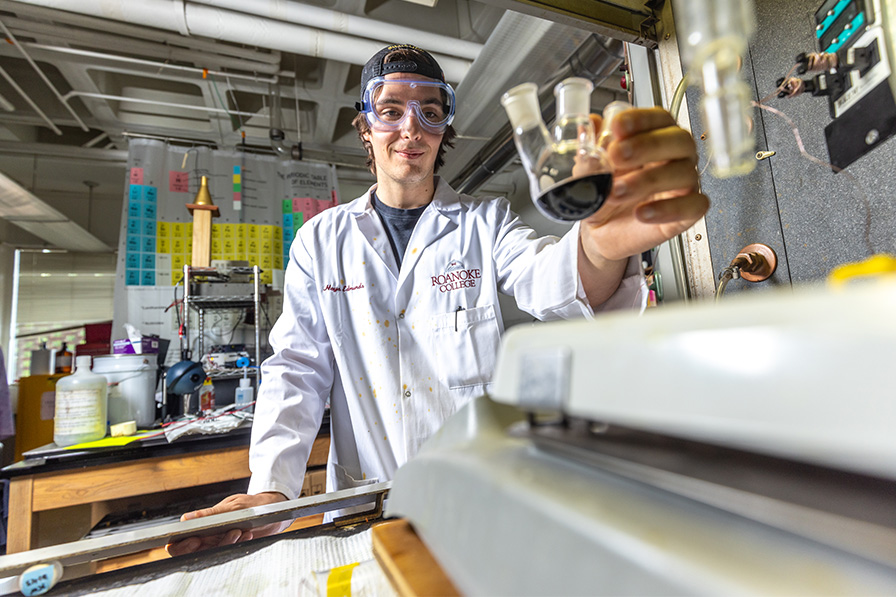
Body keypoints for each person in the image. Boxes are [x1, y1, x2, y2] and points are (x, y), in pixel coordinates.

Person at [167, 44, 708, 555]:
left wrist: (598, 242)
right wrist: (271, 491)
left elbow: (553, 282)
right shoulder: (321, 239)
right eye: (391, 109)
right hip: (368, 503)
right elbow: (297, 369)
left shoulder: (485, 221)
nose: (411, 128)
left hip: (483, 496)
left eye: (430, 110)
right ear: (365, 126)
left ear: (445, 125)